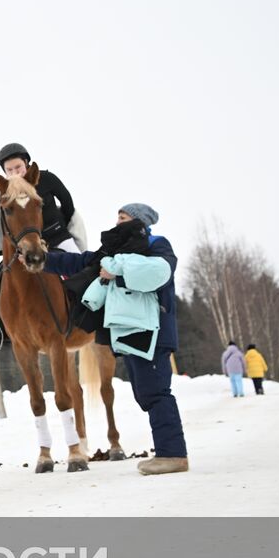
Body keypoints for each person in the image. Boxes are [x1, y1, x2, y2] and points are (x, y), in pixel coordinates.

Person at [42, 203, 188, 475]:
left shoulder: (157, 244)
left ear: (139, 221)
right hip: (132, 334)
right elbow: (80, 261)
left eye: (123, 217)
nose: (117, 222)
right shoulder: (116, 250)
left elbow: (158, 274)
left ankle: (173, 454)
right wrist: (43, 259)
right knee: (146, 394)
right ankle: (169, 451)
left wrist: (116, 272)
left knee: (157, 392)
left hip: (153, 332)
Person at [0, 143, 83, 349]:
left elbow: (67, 202)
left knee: (81, 268)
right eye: (8, 170)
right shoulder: (7, 190)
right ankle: (0, 327)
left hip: (56, 238)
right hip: (27, 246)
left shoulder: (46, 179)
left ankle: (91, 314)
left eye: (17, 167)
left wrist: (58, 226)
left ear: (26, 163)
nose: (14, 173)